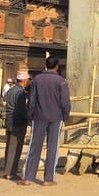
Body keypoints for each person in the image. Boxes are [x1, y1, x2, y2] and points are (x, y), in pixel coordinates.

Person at [20, 56, 71, 186]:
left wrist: (30, 116)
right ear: (57, 66)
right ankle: (48, 179)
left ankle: (28, 177)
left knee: (34, 147)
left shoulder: (37, 80)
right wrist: (65, 116)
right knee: (52, 148)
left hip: (39, 117)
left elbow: (31, 101)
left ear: (46, 65)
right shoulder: (61, 81)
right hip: (55, 117)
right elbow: (65, 102)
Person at [3, 70, 31, 181]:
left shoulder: (10, 90)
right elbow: (21, 110)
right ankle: (11, 172)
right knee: (15, 148)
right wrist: (27, 120)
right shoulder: (21, 93)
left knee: (9, 146)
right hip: (17, 122)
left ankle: (8, 170)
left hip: (9, 119)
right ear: (24, 80)